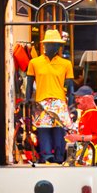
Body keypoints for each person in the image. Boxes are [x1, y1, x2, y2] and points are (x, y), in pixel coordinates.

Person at [25, 28, 74, 164]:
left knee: (59, 132)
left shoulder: (66, 64)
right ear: (44, 45)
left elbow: (70, 85)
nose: (52, 46)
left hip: (59, 102)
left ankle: (59, 158)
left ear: (59, 46)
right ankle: (46, 157)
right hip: (42, 101)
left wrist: (71, 104)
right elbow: (29, 83)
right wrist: (28, 99)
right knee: (43, 131)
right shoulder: (35, 63)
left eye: (55, 44)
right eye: (49, 44)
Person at [67, 85, 97, 165]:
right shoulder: (84, 112)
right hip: (82, 154)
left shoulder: (94, 114)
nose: (76, 100)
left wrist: (77, 137)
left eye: (79, 98)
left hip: (90, 157)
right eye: (76, 98)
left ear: (88, 99)